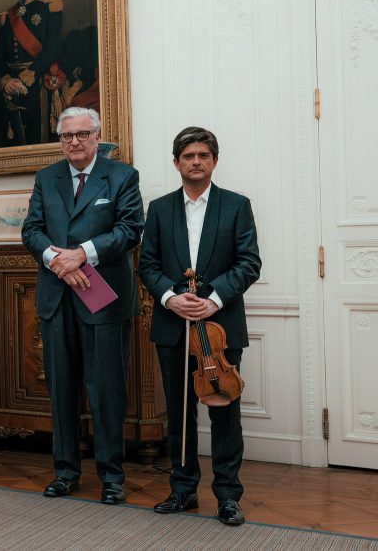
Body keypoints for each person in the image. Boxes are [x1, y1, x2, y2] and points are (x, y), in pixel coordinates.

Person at [138, 127, 261, 526]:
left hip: (220, 327)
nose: (196, 162)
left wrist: (213, 300)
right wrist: (170, 298)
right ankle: (183, 489)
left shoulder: (236, 205)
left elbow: (249, 263)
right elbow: (147, 265)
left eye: (203, 155)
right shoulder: (159, 209)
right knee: (179, 413)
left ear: (214, 161)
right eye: (188, 156)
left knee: (225, 412)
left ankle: (227, 496)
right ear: (176, 163)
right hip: (173, 325)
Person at [20, 106, 144, 505]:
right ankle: (65, 472)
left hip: (103, 301)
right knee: (61, 389)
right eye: (66, 136)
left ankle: (112, 476)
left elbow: (130, 230)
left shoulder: (122, 176)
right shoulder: (46, 177)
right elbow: (31, 230)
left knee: (106, 390)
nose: (74, 141)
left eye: (82, 134)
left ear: (97, 137)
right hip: (57, 298)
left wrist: (82, 254)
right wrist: (57, 260)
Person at [0, 0, 64, 146]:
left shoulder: (48, 8)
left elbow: (53, 49)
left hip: (38, 83)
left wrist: (29, 75)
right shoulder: (8, 16)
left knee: (36, 138)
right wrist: (6, 81)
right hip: (11, 87)